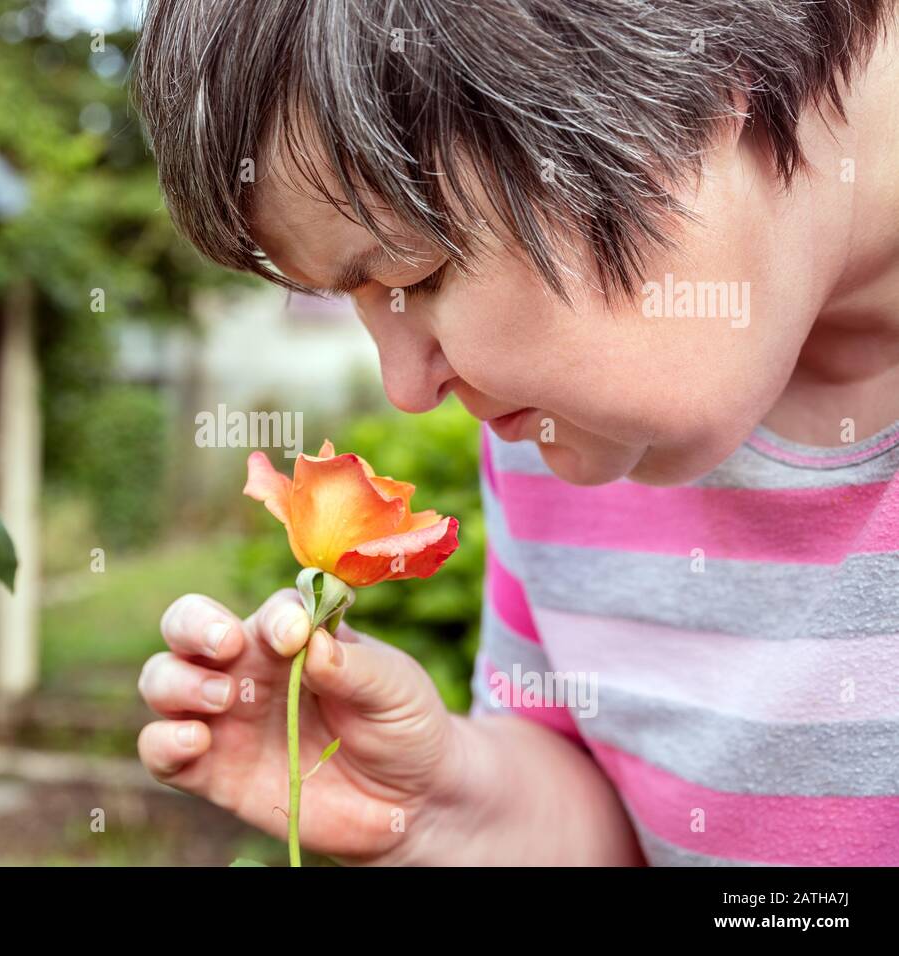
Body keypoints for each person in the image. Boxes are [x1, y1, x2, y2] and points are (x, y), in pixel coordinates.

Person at [130, 0, 899, 864]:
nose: (408, 389)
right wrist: (438, 807)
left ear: (691, 78)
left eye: (416, 272)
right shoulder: (555, 446)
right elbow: (618, 818)